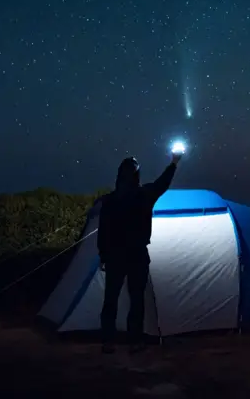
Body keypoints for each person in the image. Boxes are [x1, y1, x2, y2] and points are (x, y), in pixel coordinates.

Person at [97, 151, 183, 354]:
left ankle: (108, 341)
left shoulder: (110, 201)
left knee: (111, 299)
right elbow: (162, 183)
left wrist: (103, 255)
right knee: (136, 300)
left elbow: (103, 231)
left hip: (116, 256)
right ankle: (134, 340)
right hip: (136, 255)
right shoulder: (144, 195)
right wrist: (173, 163)